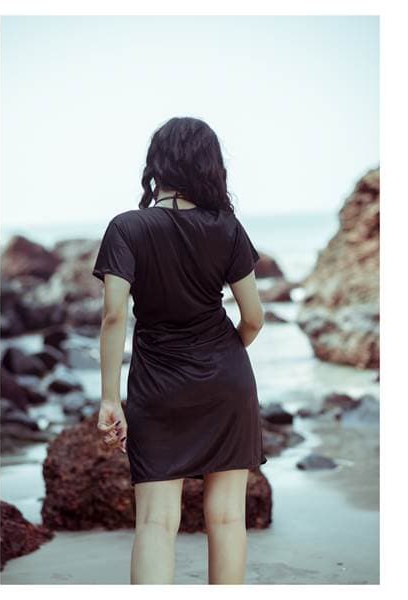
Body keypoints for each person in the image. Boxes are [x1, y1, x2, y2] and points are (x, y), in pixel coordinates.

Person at [92, 116, 266, 584]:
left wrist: (109, 399)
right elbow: (253, 318)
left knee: (155, 522)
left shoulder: (127, 227)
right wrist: (223, 358)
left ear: (157, 164)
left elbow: (114, 315)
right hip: (226, 380)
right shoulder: (227, 228)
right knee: (227, 517)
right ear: (210, 166)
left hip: (157, 384)